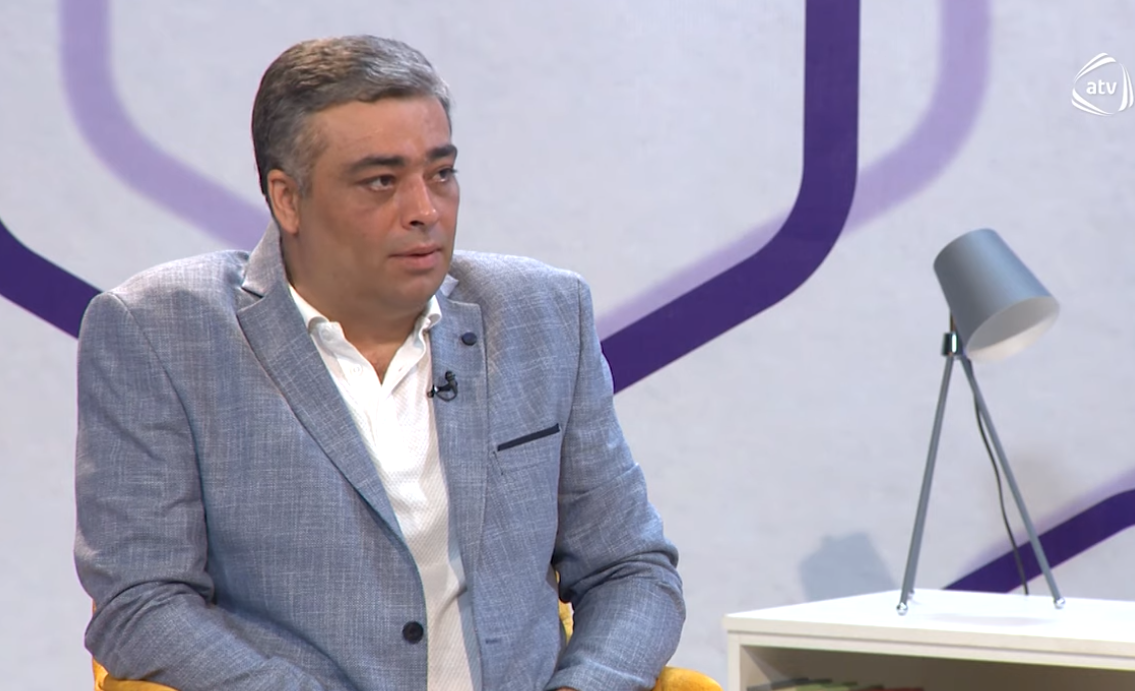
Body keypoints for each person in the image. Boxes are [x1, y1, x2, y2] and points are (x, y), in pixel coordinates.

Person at [74, 35, 684, 691]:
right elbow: (142, 604)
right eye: (381, 182)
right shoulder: (162, 332)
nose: (424, 211)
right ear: (287, 198)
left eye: (440, 173)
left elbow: (630, 568)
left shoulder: (542, 313)